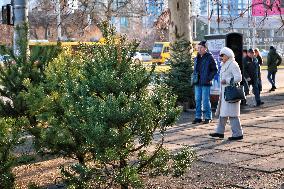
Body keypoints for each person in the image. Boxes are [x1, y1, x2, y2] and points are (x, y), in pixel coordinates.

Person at [209, 47, 243, 140]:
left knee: (233, 115)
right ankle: (219, 132)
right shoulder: (224, 64)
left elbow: (239, 78)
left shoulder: (233, 64)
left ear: (227, 56)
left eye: (222, 55)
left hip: (231, 93)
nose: (221, 57)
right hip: (225, 93)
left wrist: (227, 80)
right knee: (223, 114)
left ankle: (238, 134)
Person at [192, 41, 218, 124]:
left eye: (201, 48)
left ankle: (208, 117)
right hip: (197, 82)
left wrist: (209, 78)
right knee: (197, 99)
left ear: (205, 48)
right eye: (198, 48)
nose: (199, 49)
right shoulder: (197, 57)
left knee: (205, 100)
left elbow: (215, 69)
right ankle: (198, 117)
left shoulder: (210, 57)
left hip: (206, 82)